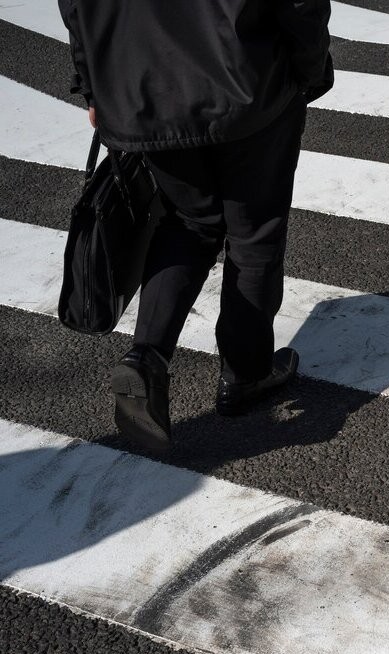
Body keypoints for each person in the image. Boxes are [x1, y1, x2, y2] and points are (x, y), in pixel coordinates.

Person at [58, 0, 333, 452]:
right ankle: (246, 374)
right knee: (254, 231)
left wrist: (93, 86)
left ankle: (146, 357)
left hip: (142, 87)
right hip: (246, 79)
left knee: (189, 222)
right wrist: (310, 66)